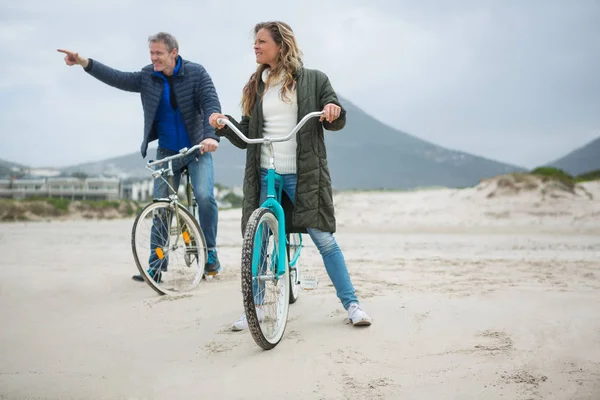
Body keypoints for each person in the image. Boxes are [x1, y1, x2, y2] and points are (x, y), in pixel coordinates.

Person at [209, 21, 373, 330]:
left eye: (261, 42)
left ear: (280, 46)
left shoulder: (313, 80)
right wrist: (225, 123)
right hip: (265, 174)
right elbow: (247, 135)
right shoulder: (257, 85)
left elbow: (335, 118)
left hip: (303, 174)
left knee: (323, 239)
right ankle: (255, 308)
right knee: (259, 240)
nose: (255, 47)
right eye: (254, 42)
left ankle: (352, 305)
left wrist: (332, 109)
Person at [58, 32, 223, 280]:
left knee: (204, 196)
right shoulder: (148, 76)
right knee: (161, 208)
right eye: (151, 53)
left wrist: (211, 136)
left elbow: (211, 104)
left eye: (159, 53)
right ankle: (156, 266)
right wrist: (84, 62)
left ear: (173, 53)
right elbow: (117, 78)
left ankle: (210, 252)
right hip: (167, 151)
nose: (154, 58)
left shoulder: (196, 73)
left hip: (197, 148)